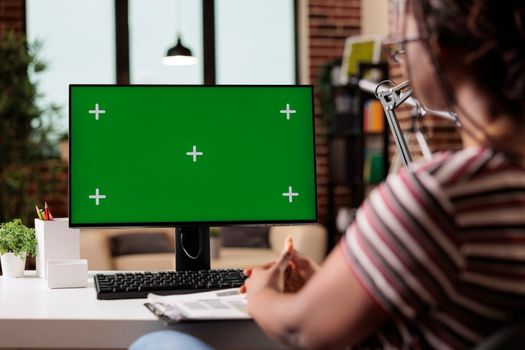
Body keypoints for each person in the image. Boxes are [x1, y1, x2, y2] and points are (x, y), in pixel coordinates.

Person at [131, 0, 525, 348]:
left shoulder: (437, 194)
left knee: (160, 341)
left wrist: (259, 291)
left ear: (440, 49)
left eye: (402, 47)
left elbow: (299, 331)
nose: (399, 59)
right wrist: (337, 281)